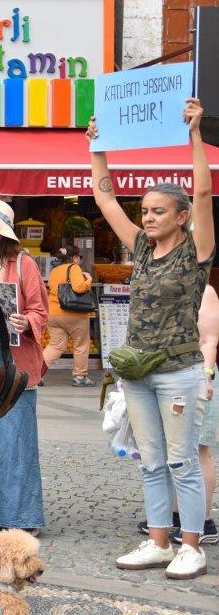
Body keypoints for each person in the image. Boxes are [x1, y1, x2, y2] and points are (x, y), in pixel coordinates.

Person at [91, 98, 214, 580]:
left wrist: (196, 136)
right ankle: (158, 540)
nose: (147, 218)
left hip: (179, 371)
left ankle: (192, 545)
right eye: (144, 211)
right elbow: (105, 199)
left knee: (183, 460)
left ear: (180, 216)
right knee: (152, 461)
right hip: (138, 370)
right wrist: (96, 147)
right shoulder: (142, 248)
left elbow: (202, 193)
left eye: (158, 211)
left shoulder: (196, 251)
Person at [0, 200, 48, 533]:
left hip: (15, 362)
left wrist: (25, 321)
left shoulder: (22, 264)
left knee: (16, 442)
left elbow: (40, 311)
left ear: (2, 229)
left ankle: (21, 517)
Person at [43, 245, 95, 387]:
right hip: (73, 313)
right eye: (79, 257)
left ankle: (35, 373)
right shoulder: (74, 268)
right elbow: (78, 287)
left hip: (53, 313)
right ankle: (80, 377)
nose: (79, 260)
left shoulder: (54, 271)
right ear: (74, 258)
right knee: (80, 345)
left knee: (55, 346)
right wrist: (88, 280)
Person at [194, 285, 219, 544]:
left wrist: (207, 376)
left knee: (200, 449)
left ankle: (204, 521)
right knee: (173, 452)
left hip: (200, 375)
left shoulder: (205, 290)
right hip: (169, 377)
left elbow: (209, 339)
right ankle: (178, 514)